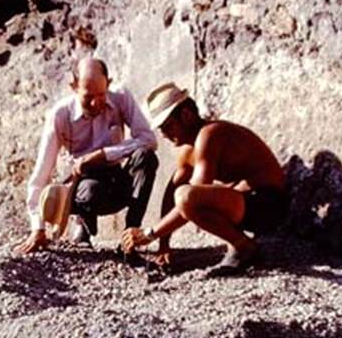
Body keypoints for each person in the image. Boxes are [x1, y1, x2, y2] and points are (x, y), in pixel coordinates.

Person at [121, 82, 288, 274]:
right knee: (182, 194)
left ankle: (243, 247)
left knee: (186, 197)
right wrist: (164, 245)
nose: (165, 135)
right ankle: (241, 244)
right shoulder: (188, 150)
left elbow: (191, 197)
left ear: (186, 116)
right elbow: (172, 191)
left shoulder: (210, 134)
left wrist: (150, 233)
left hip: (269, 204)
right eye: (161, 129)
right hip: (244, 204)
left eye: (168, 126)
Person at [17, 56, 158, 254]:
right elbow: (41, 175)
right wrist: (37, 228)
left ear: (108, 83)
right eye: (87, 96)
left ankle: (130, 235)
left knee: (146, 156)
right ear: (73, 86)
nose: (95, 103)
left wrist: (102, 155)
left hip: (116, 181)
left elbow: (149, 140)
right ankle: (82, 223)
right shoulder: (60, 115)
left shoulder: (121, 98)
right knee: (90, 190)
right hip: (82, 187)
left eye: (101, 94)